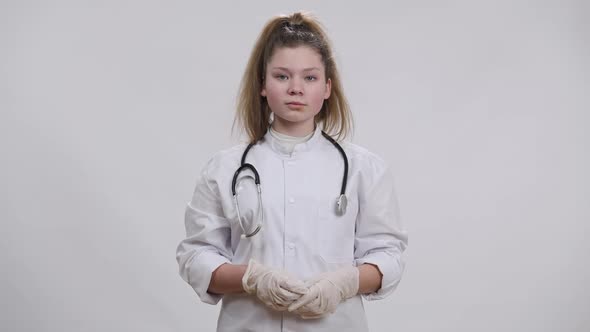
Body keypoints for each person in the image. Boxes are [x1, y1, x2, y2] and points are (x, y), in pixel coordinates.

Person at [176, 11, 408, 332]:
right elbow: (195, 257)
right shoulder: (224, 169)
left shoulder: (363, 169)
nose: (296, 88)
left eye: (310, 78)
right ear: (262, 85)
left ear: (327, 88)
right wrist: (252, 279)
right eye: (282, 76)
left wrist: (344, 282)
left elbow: (389, 257)